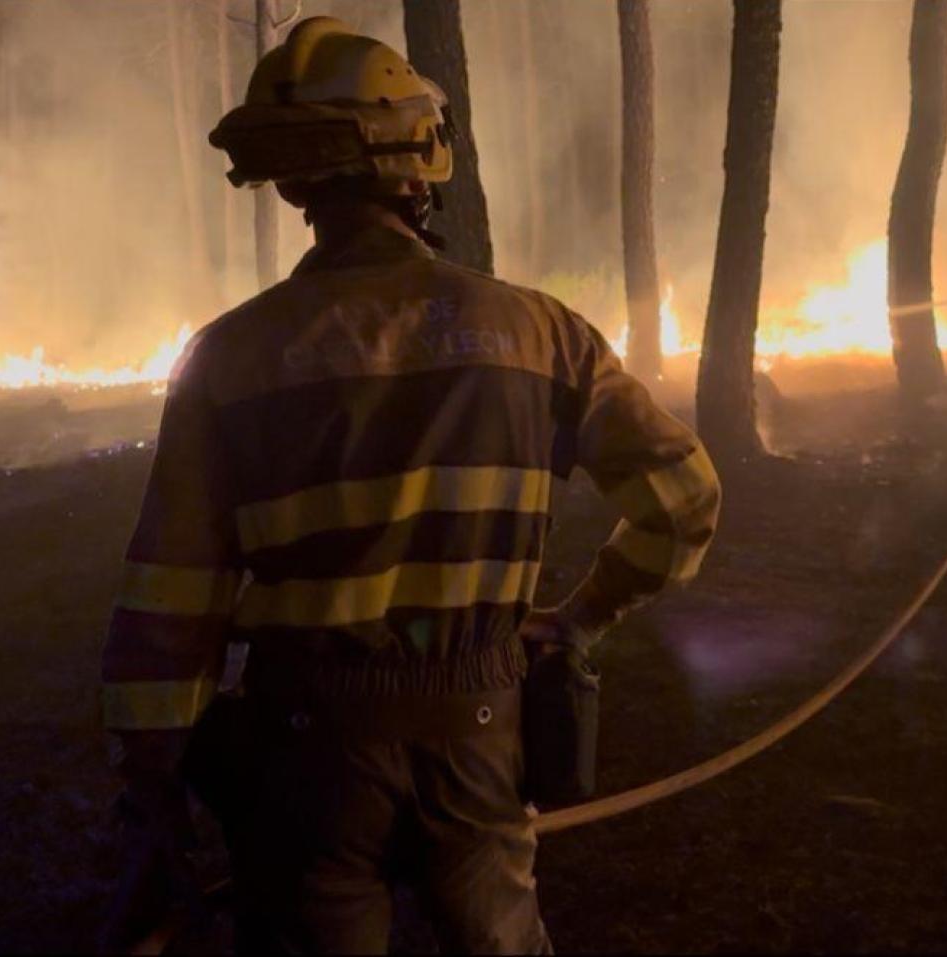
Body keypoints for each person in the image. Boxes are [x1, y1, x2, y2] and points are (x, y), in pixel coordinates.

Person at [97, 18, 720, 953]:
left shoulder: (228, 360)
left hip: (309, 758)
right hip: (482, 736)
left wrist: (154, 769)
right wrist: (582, 616)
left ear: (295, 180)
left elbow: (172, 598)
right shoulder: (542, 334)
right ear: (421, 162)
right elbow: (683, 499)